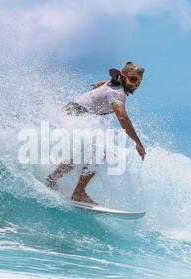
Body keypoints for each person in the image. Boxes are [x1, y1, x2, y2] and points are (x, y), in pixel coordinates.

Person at [46, 61, 146, 204]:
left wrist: (101, 85)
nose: (136, 84)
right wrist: (138, 143)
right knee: (100, 152)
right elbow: (123, 118)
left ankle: (52, 179)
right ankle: (79, 192)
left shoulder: (114, 85)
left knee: (84, 153)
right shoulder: (117, 93)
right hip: (78, 115)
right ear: (124, 76)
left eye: (139, 82)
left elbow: (109, 85)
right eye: (134, 79)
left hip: (71, 112)